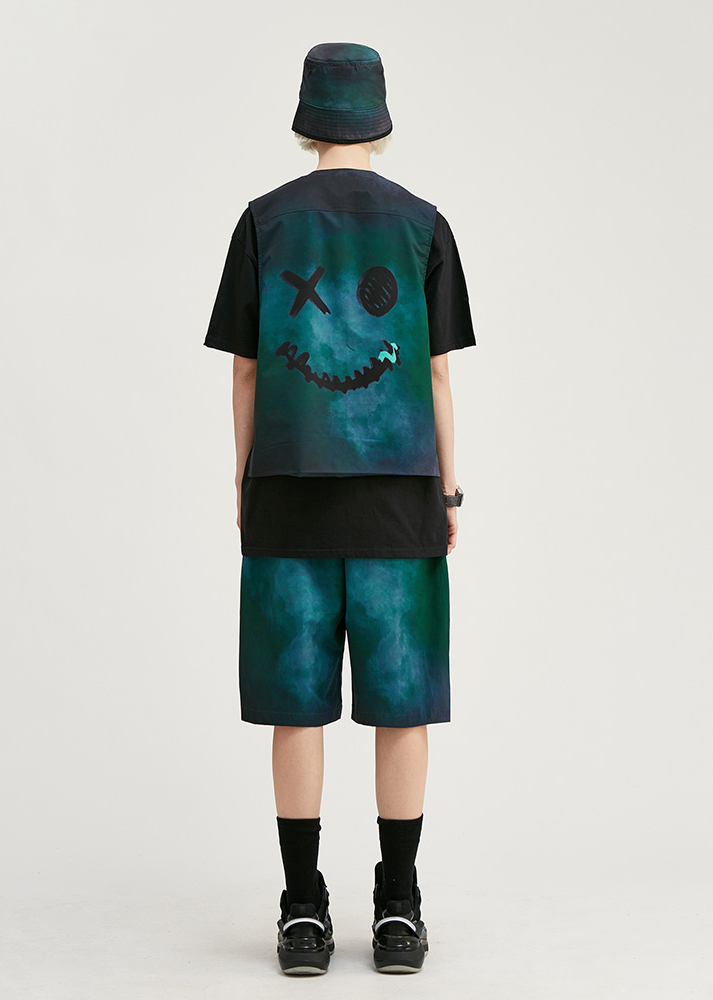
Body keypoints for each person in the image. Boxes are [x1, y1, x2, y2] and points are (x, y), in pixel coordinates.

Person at [203, 42, 476, 975]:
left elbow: (246, 373)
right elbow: (436, 374)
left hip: (287, 496)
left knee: (297, 706)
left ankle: (301, 912)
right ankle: (397, 909)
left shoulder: (262, 223)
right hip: (400, 497)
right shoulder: (424, 226)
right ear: (381, 121)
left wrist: (244, 479)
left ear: (305, 120)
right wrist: (448, 489)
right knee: (403, 706)